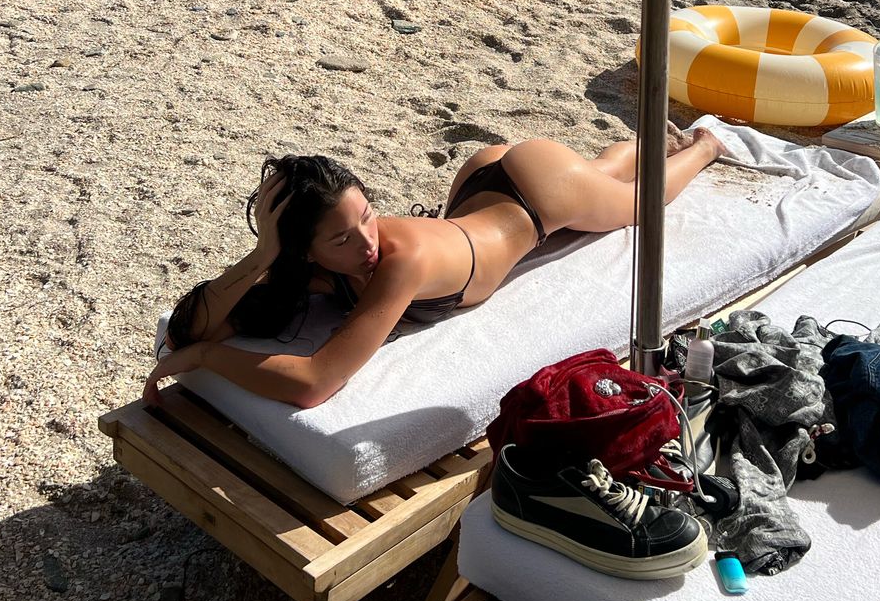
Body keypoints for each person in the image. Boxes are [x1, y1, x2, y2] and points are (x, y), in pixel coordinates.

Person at [142, 124, 726, 408]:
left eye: (368, 215)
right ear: (303, 251)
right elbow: (196, 324)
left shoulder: (401, 261)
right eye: (342, 238)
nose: (366, 243)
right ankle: (636, 147)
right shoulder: (306, 265)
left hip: (539, 196)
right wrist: (261, 255)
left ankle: (702, 147)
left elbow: (316, 382)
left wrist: (207, 358)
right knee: (598, 177)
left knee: (640, 203)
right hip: (482, 189)